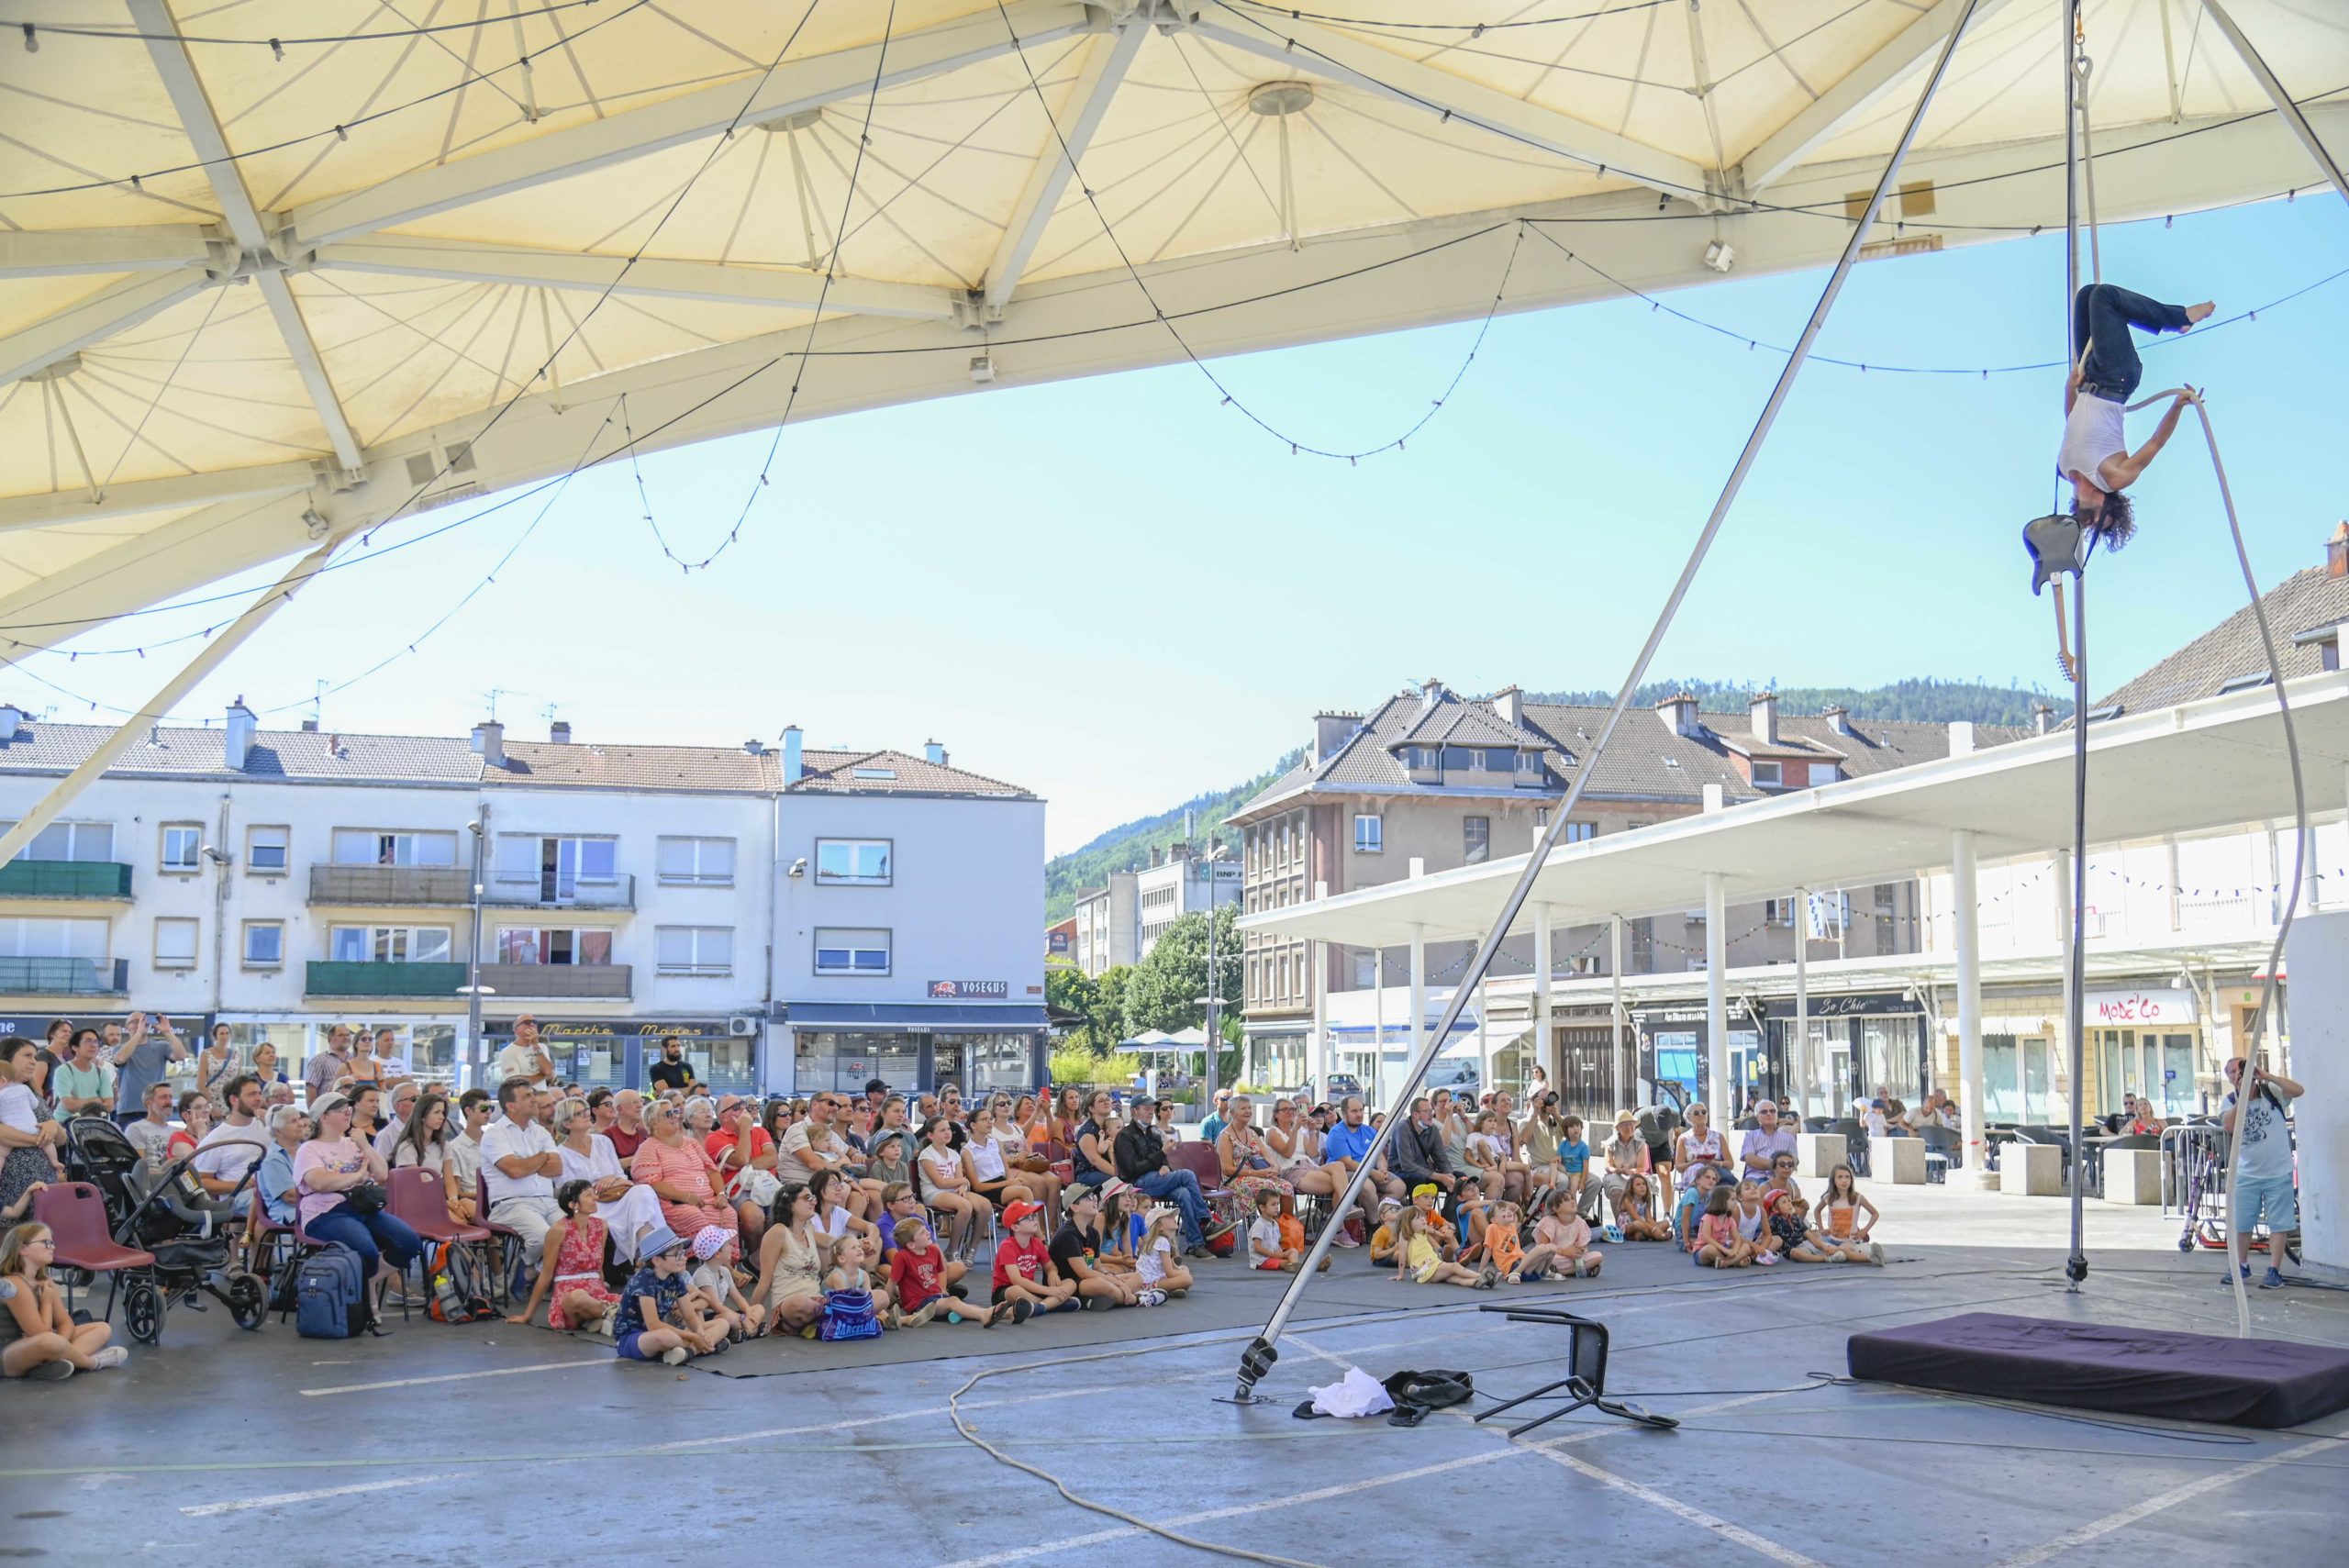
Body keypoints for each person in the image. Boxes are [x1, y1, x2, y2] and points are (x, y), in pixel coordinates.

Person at [294, 1092, 417, 1328]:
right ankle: (367, 1296)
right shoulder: (309, 1149)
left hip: (362, 1207)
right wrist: (357, 1176)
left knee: (409, 1242)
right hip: (325, 1212)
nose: (348, 1112)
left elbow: (382, 1175)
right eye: (341, 1110)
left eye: (349, 1109)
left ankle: (368, 1280)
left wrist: (364, 1146)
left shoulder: (353, 1143)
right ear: (324, 1117)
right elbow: (318, 1182)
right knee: (366, 1250)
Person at [2, 1222, 128, 1378]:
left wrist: (61, 1343)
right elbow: (39, 1333)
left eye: (52, 1243)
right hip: (7, 1354)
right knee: (48, 1341)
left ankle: (54, 1364)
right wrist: (47, 1303)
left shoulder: (45, 1282)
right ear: (23, 1249)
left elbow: (65, 1322)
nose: (52, 1247)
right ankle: (93, 1362)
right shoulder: (13, 1284)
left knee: (103, 1328)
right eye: (45, 1243)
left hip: (37, 1344)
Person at [2220, 1054, 2303, 1289]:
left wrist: (2263, 1075)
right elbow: (2228, 1125)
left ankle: (2274, 1270)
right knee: (2242, 1223)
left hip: (2278, 1172)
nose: (2239, 1075)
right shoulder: (2229, 1102)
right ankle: (2241, 1266)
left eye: (2242, 1070)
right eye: (2233, 1073)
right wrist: (2242, 1097)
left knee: (2278, 1223)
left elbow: (2298, 1090)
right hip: (2247, 1174)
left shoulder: (2271, 1092)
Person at [507, 1180, 620, 1335]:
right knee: (579, 1297)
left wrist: (601, 1289)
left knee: (630, 1297)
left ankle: (599, 1317)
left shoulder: (601, 1226)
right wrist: (528, 1315)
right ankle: (616, 1314)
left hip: (595, 1291)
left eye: (594, 1193)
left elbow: (598, 1267)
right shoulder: (558, 1230)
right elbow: (546, 1274)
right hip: (569, 1294)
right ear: (573, 1205)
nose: (595, 1197)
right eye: (589, 1195)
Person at [1115, 1095, 1222, 1257]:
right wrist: (1161, 1155)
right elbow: (1132, 1169)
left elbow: (1163, 1158)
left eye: (1152, 1109)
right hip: (1138, 1183)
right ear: (1134, 1111)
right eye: (1146, 1109)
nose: (1151, 1112)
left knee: (1184, 1194)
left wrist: (1165, 1164)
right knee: (1186, 1175)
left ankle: (1196, 1244)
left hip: (1157, 1180)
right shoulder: (1125, 1135)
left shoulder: (1152, 1132)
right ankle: (1205, 1220)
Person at [482, 1077, 566, 1273]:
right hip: (511, 1204)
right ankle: (522, 1268)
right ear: (511, 1106)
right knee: (544, 1237)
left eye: (533, 1094)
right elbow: (515, 1171)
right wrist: (543, 1156)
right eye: (527, 1096)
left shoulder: (540, 1132)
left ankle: (530, 1271)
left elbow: (557, 1168)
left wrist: (526, 1163)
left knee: (573, 1236)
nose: (533, 1099)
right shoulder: (495, 1134)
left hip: (547, 1200)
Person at [612, 1224, 724, 1366]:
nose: (681, 1258)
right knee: (667, 1337)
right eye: (675, 1254)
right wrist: (693, 1336)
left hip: (661, 1332)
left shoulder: (675, 1277)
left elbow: (689, 1315)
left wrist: (700, 1332)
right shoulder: (644, 1280)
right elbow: (653, 1324)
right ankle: (704, 1347)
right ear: (657, 1260)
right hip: (634, 1337)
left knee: (722, 1324)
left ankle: (689, 1352)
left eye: (682, 1253)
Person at [632, 1100, 737, 1247]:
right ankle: (707, 1263)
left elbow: (712, 1171)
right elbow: (652, 1183)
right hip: (676, 1204)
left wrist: (721, 1194)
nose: (675, 1116)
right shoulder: (648, 1148)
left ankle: (726, 1265)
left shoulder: (691, 1143)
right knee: (695, 1217)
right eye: (668, 1114)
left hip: (708, 1200)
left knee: (729, 1214)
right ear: (654, 1123)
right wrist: (686, 1197)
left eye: (675, 1112)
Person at [888, 1215, 1015, 1328]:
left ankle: (1004, 1313)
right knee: (953, 1302)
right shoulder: (902, 1257)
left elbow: (941, 1271)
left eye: (926, 1229)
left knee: (962, 1307)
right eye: (922, 1232)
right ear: (911, 1244)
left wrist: (943, 1290)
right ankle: (984, 1316)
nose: (928, 1232)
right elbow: (892, 1282)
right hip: (919, 1304)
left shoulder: (933, 1250)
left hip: (937, 1297)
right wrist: (884, 1306)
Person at [1051, 1186, 1156, 1307]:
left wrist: (1111, 1277)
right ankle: (1136, 1299)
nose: (1095, 1200)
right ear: (1075, 1207)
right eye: (1089, 1198)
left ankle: (1106, 1298)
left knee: (1137, 1277)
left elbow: (1097, 1267)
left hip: (1089, 1279)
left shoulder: (1092, 1232)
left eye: (1094, 1196)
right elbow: (1084, 1273)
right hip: (1071, 1282)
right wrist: (1117, 1283)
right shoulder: (1068, 1234)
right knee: (1102, 1283)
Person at [751, 1182, 828, 1337]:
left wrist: (860, 1243)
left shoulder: (809, 1229)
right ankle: (833, 1318)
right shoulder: (778, 1232)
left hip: (816, 1301)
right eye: (807, 1198)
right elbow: (765, 1280)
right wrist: (752, 1316)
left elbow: (835, 1243)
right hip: (789, 1305)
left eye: (813, 1197)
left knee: (878, 1297)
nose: (814, 1201)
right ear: (790, 1204)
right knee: (801, 1302)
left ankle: (820, 1321)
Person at [991, 1199, 1075, 1315]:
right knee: (1015, 1291)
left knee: (1071, 1283)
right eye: (1028, 1218)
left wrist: (1052, 1273)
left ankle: (1041, 1307)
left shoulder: (1036, 1243)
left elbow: (1050, 1266)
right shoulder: (1007, 1246)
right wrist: (1049, 1291)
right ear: (1015, 1227)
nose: (1034, 1220)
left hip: (1029, 1290)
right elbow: (1016, 1280)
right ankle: (1052, 1305)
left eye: (1034, 1216)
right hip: (1006, 1291)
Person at [108, 1011, 185, 1129]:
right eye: (135, 1022)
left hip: (156, 1109)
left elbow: (181, 1055)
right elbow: (120, 1059)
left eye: (143, 1021)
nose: (140, 1024)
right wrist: (138, 1034)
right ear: (127, 1027)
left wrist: (167, 1032)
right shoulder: (120, 1048)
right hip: (128, 1110)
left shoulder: (161, 1046)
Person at [1393, 1205, 1487, 1288]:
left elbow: (1431, 1230)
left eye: (1422, 1216)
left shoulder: (1421, 1231)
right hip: (1426, 1269)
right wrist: (1400, 1275)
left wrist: (1442, 1235)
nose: (1423, 1219)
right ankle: (1480, 1276)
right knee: (1454, 1266)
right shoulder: (1405, 1235)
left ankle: (1476, 1282)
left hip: (1433, 1266)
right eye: (1418, 1218)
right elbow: (1402, 1254)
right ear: (1407, 1223)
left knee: (1456, 1278)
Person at [686, 1229, 754, 1341]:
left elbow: (738, 1298)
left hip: (723, 1313)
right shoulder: (703, 1274)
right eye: (727, 1244)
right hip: (711, 1317)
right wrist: (742, 1318)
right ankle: (747, 1330)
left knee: (758, 1309)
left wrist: (749, 1313)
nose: (731, 1246)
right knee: (730, 1318)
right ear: (717, 1254)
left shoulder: (725, 1271)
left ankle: (742, 1332)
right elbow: (716, 1306)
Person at [818, 1236, 885, 1340]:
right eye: (853, 1248)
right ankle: (882, 1320)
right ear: (842, 1258)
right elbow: (844, 1303)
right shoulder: (837, 1276)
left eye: (859, 1246)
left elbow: (869, 1301)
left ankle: (885, 1318)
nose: (859, 1249)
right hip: (837, 1312)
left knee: (882, 1296)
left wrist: (883, 1312)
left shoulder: (864, 1275)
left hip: (856, 1309)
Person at [1526, 1188, 1602, 1279]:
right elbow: (1542, 1248)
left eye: (1572, 1199)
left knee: (1598, 1256)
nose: (1572, 1202)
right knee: (1547, 1260)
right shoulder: (1549, 1221)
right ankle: (1582, 1269)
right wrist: (1564, 1252)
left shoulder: (1580, 1221)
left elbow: (1584, 1247)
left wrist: (1580, 1250)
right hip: (1553, 1257)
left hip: (1571, 1259)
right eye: (1566, 1200)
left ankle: (1561, 1271)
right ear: (1556, 1208)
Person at [1814, 1164, 1883, 1264]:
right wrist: (1821, 1229)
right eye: (1840, 1177)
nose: (1844, 1180)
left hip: (1848, 1240)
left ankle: (1871, 1258)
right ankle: (1836, 1254)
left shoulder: (1857, 1197)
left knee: (1844, 1251)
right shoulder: (1829, 1197)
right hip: (1830, 1239)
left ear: (1851, 1180)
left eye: (1847, 1177)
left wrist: (1864, 1230)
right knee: (1817, 1243)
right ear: (1833, 1180)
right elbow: (1817, 1210)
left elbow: (1875, 1214)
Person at [1247, 1186, 1323, 1273]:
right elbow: (1257, 1248)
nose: (1277, 1207)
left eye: (1278, 1204)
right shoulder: (1259, 1225)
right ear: (1262, 1207)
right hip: (1262, 1260)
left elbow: (1276, 1243)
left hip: (1273, 1255)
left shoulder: (1274, 1223)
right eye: (1273, 1204)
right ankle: (1314, 1267)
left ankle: (1298, 1266)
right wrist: (1275, 1255)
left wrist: (1279, 1251)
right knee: (1286, 1262)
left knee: (1293, 1251)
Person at [254, 1105, 308, 1229]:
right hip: (289, 1213)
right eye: (293, 1121)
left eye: (299, 1119)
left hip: (310, 1208)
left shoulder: (306, 1150)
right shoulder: (271, 1158)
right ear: (278, 1130)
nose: (301, 1124)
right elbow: (290, 1197)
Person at [50, 1029, 114, 1117]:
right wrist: (96, 1100)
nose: (93, 1045)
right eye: (88, 1041)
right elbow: (70, 1106)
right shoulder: (63, 1071)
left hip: (96, 1124)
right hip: (66, 1124)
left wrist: (78, 1102)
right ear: (75, 1047)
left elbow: (109, 1106)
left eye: (96, 1042)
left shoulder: (102, 1073)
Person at [1693, 1185, 1753, 1269]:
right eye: (1732, 1199)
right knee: (1710, 1249)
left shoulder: (1730, 1220)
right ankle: (1735, 1262)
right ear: (1722, 1202)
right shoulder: (1708, 1217)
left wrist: (1734, 1250)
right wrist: (1725, 1250)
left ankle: (1726, 1263)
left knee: (1746, 1247)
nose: (1736, 1202)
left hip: (1722, 1249)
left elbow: (1737, 1239)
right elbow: (1707, 1238)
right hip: (1703, 1250)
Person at [121, 1082, 176, 1169]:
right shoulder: (136, 1129)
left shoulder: (178, 1131)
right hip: (156, 1180)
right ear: (148, 1103)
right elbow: (140, 1170)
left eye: (170, 1097)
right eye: (163, 1097)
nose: (169, 1102)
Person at [1737, 1100, 1798, 1177]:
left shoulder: (1789, 1139)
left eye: (1772, 1111)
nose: (1769, 1114)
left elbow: (1793, 1162)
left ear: (1777, 1115)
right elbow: (1749, 1159)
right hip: (1755, 1178)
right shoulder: (1750, 1136)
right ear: (1758, 1117)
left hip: (1781, 1178)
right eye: (1764, 1112)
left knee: (1794, 1188)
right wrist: (1776, 1165)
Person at [494, 1016, 554, 1089]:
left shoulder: (542, 1047)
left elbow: (548, 1071)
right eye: (527, 1022)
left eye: (534, 1022)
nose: (532, 1025)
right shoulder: (508, 1052)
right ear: (516, 1030)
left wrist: (535, 1046)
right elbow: (515, 1082)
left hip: (542, 1097)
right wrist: (543, 1075)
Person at [371, 1081, 421, 1162]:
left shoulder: (428, 1129)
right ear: (398, 1106)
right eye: (414, 1099)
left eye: (422, 1099)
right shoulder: (386, 1136)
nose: (420, 1103)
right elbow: (380, 1169)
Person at [303, 1025, 353, 1106]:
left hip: (352, 1109)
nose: (346, 1037)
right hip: (329, 1109)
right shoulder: (319, 1061)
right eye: (341, 1035)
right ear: (330, 1039)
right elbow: (311, 1089)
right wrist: (315, 1113)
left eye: (348, 1035)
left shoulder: (354, 1059)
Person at [1615, 1172, 1671, 1241]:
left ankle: (1644, 1235)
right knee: (1638, 1224)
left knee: (1666, 1223)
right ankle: (1657, 1235)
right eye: (1638, 1185)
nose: (1642, 1186)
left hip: (1644, 1224)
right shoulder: (1628, 1200)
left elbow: (1649, 1219)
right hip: (1628, 1225)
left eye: (1643, 1184)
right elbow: (1637, 1218)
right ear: (1631, 1188)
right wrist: (1654, 1229)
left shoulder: (1645, 1200)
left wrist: (1656, 1228)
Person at [193, 1023, 238, 1110]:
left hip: (231, 1101)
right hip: (211, 1100)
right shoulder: (206, 1054)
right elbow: (200, 1084)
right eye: (221, 1033)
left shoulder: (237, 1055)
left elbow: (239, 1081)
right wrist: (212, 1105)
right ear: (215, 1036)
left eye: (227, 1033)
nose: (225, 1036)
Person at [607, 1089, 652, 1163]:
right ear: (620, 1109)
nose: (640, 1105)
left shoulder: (644, 1133)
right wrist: (640, 1158)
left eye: (641, 1101)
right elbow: (607, 1165)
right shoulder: (608, 1135)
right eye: (635, 1102)